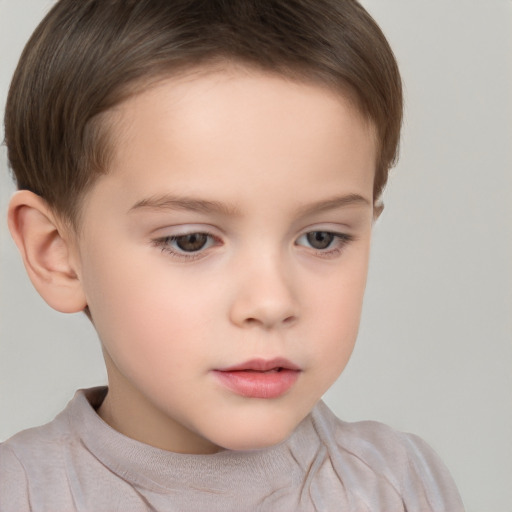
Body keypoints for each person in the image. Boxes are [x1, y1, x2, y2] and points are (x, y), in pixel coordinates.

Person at [0, 0, 465, 510]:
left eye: (321, 238)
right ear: (57, 252)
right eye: (191, 240)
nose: (270, 303)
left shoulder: (398, 483)